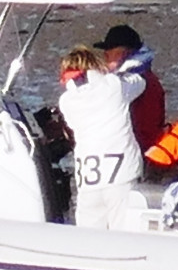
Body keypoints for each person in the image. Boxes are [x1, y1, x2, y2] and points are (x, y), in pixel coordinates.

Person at [57, 44, 144, 230]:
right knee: (125, 238)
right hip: (121, 176)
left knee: (89, 242)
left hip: (88, 182)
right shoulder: (113, 86)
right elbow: (139, 82)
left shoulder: (66, 102)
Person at [97, 22, 165, 149]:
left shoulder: (131, 83)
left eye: (108, 55)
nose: (104, 60)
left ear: (123, 54)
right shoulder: (148, 78)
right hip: (150, 148)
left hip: (136, 152)